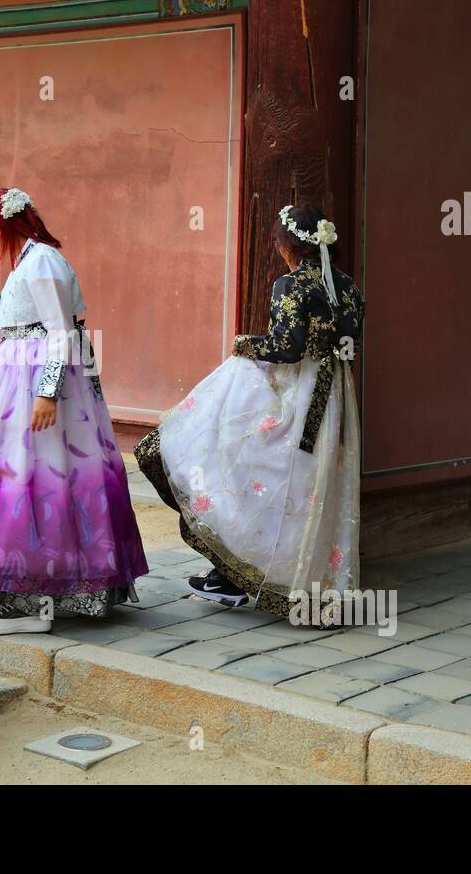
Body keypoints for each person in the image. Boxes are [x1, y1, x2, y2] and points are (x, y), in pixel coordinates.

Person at [0, 187, 148, 635]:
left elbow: (60, 330)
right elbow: (33, 306)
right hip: (14, 370)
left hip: (33, 374)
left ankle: (25, 595)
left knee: (34, 470)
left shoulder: (42, 262)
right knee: (1, 466)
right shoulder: (30, 258)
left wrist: (46, 393)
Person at [134, 204, 365, 621]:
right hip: (334, 397)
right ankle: (271, 579)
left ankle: (241, 573)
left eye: (278, 242)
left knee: (257, 468)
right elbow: (350, 343)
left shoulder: (290, 285)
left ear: (287, 245)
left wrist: (243, 344)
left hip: (301, 391)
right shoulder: (348, 287)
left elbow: (286, 348)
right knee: (306, 486)